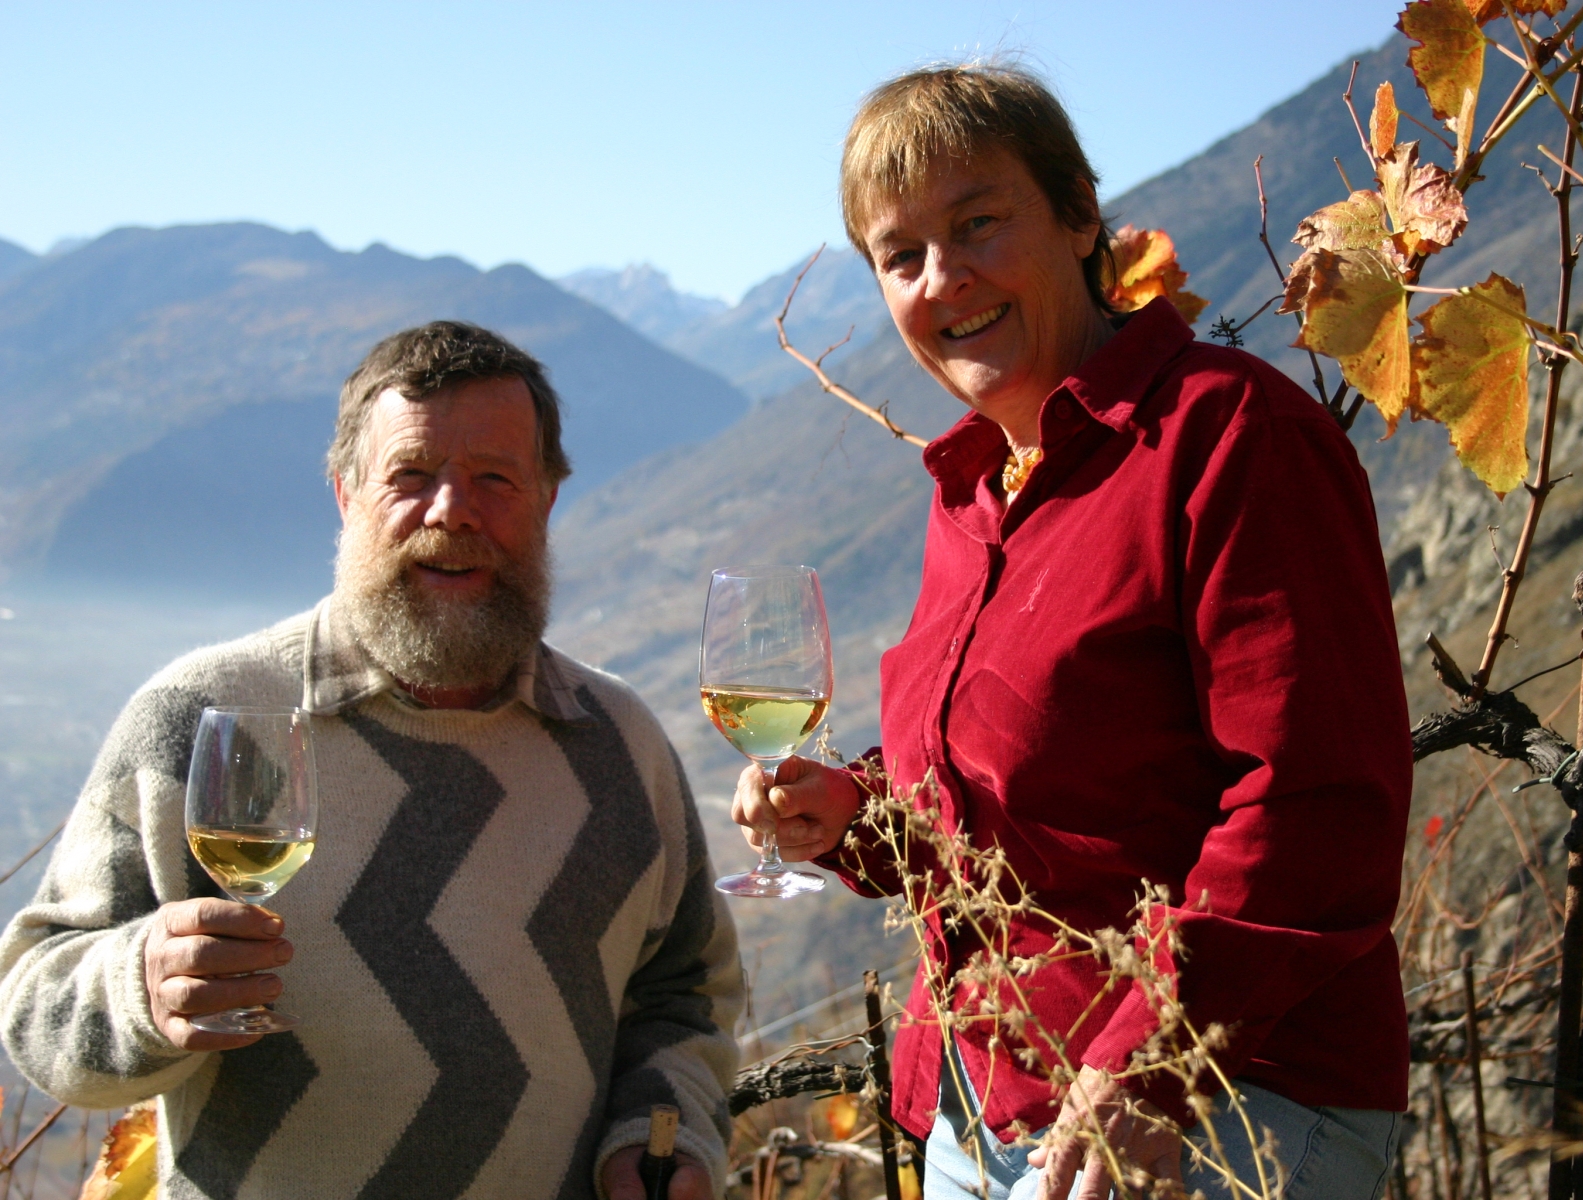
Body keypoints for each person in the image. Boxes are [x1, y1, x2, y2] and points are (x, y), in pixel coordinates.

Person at [730, 66, 1413, 1200]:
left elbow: (1315, 804)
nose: (944, 278)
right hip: (987, 1109)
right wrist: (854, 815)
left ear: (1081, 214)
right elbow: (1028, 805)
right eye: (901, 256)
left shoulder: (1227, 437)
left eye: (979, 222)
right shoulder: (972, 492)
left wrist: (1150, 1062)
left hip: (1220, 1101)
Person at [0, 322, 742, 1200]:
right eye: (411, 476)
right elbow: (33, 1001)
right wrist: (140, 992)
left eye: (495, 479)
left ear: (547, 499)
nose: (451, 510)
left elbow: (684, 993)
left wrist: (661, 1134)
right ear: (347, 495)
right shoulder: (202, 717)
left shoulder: (619, 745)